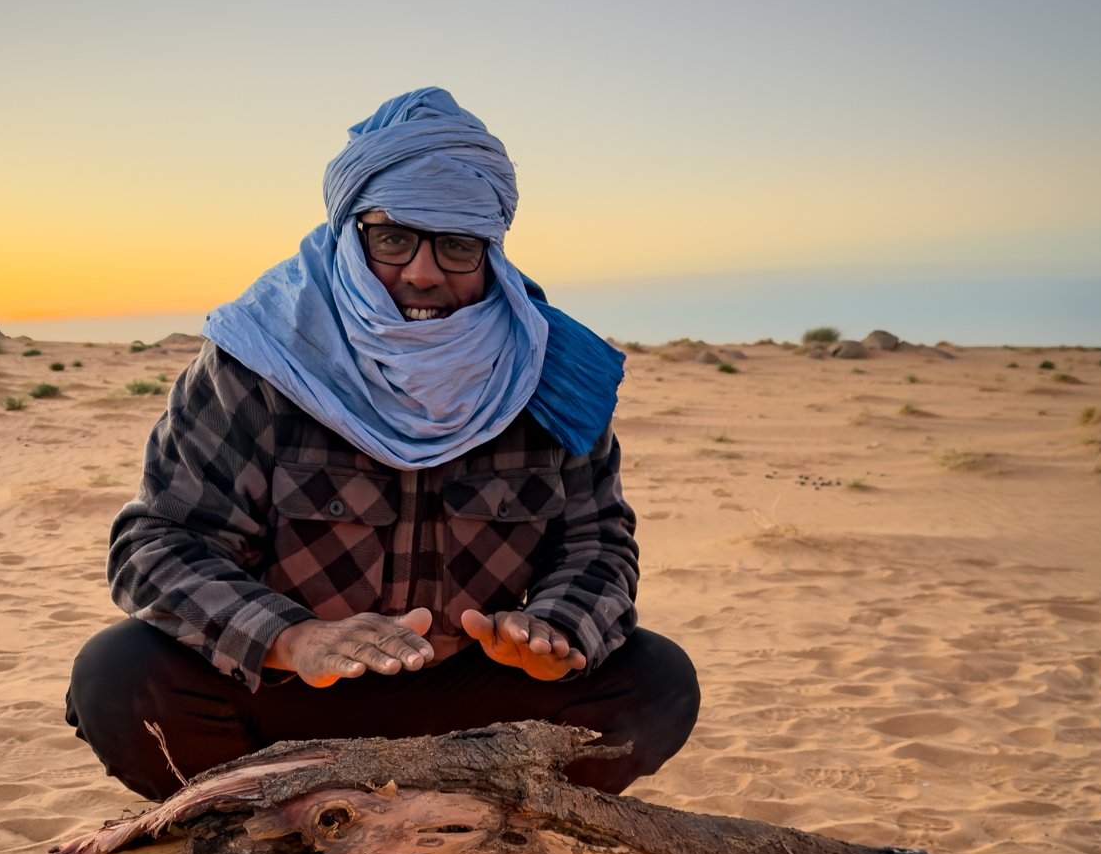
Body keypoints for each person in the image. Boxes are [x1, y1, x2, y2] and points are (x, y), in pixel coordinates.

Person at [65, 88, 699, 800]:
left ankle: (485, 841)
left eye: (457, 245)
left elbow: (597, 542)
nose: (423, 272)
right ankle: (264, 845)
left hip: (472, 702)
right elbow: (157, 545)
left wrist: (554, 633)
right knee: (120, 675)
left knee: (654, 679)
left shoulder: (549, 372)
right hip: (287, 689)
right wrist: (293, 638)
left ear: (491, 252)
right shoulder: (257, 364)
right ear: (349, 232)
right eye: (393, 237)